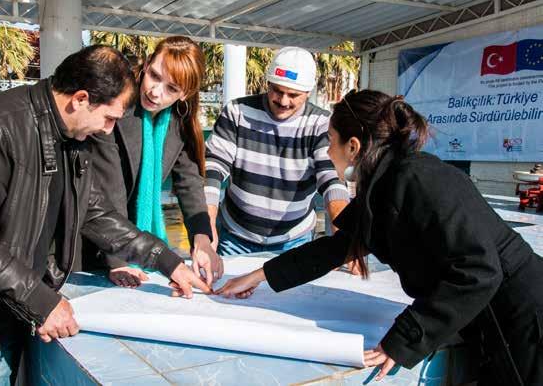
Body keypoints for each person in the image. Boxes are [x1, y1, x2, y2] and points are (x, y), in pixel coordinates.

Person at [216, 89, 543, 385]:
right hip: (494, 314)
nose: (328, 150)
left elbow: (479, 270)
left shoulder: (418, 181)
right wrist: (258, 276)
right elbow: (335, 248)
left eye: (331, 140)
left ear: (353, 146)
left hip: (523, 315)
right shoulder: (388, 183)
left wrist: (404, 338)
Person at [0, 45, 210, 385]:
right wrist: (41, 300)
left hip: (17, 310)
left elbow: (96, 212)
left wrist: (167, 261)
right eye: (109, 119)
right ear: (80, 99)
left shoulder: (69, 134)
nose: (108, 131)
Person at [86, 36, 224, 288]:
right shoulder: (115, 106)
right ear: (147, 63)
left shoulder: (179, 120)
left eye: (171, 88)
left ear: (186, 94)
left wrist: (202, 239)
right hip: (96, 243)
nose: (155, 91)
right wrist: (119, 261)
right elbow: (108, 190)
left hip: (133, 247)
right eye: (154, 75)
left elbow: (189, 182)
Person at [205, 47, 350, 256]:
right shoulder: (237, 112)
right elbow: (213, 169)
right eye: (277, 91)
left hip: (294, 240)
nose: (283, 101)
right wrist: (206, 228)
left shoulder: (322, 123)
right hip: (236, 237)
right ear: (268, 84)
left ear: (308, 93)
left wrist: (344, 240)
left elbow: (332, 181)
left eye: (293, 95)